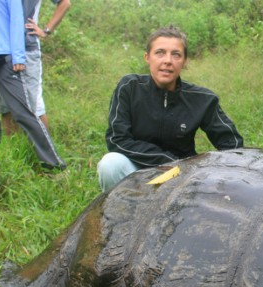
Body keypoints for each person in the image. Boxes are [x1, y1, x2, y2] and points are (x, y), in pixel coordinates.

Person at [97, 25, 243, 192]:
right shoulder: (129, 87)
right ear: (147, 57)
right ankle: (118, 214)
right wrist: (168, 161)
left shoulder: (203, 99)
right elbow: (117, 139)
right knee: (110, 164)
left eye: (176, 54)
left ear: (184, 61)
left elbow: (233, 146)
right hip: (137, 169)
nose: (167, 60)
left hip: (181, 177)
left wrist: (205, 171)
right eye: (160, 52)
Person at [0, 0, 66, 171]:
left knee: (23, 112)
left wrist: (18, 56)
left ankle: (53, 164)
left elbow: (16, 21)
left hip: (6, 58)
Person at [0, 0, 72, 135]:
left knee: (35, 107)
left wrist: (46, 30)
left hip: (27, 48)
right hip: (3, 48)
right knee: (6, 106)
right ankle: (11, 151)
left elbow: (65, 3)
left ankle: (43, 150)